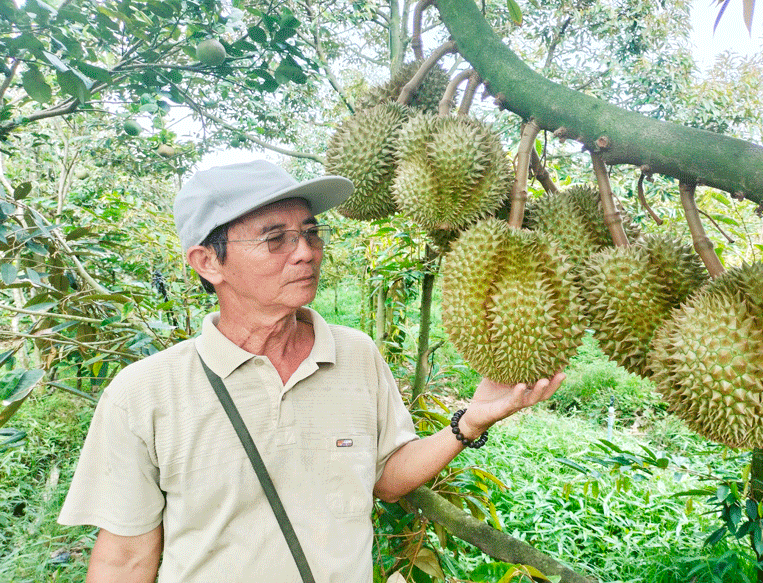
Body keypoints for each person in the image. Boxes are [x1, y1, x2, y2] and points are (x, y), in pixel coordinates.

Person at [58, 160, 564, 583]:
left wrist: (470, 421)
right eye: (275, 238)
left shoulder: (357, 354)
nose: (306, 251)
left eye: (310, 232)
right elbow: (124, 557)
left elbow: (386, 478)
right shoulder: (144, 393)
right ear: (208, 262)